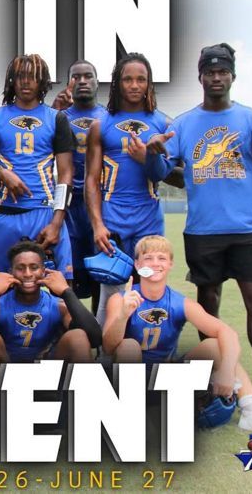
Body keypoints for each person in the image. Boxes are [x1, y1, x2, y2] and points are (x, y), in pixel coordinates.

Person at [144, 43, 252, 417]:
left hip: (247, 229)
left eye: (223, 71)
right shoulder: (182, 124)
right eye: (209, 72)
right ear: (200, 76)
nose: (216, 77)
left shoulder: (251, 120)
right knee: (208, 306)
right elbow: (160, 173)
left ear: (232, 75)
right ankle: (224, 378)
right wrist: (152, 153)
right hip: (203, 231)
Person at [102, 235, 252, 435]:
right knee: (128, 346)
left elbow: (227, 332)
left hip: (165, 378)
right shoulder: (121, 298)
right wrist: (123, 315)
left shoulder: (179, 302)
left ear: (170, 265)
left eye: (161, 258)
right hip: (125, 380)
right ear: (138, 264)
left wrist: (226, 371)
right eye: (148, 258)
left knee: (216, 345)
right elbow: (108, 346)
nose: (155, 263)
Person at [0, 54, 76, 280]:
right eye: (20, 77)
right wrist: (1, 173)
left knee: (59, 289)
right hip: (5, 215)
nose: (26, 82)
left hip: (45, 214)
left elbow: (66, 174)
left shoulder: (56, 118)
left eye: (32, 77)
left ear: (43, 81)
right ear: (11, 80)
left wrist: (57, 223)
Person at [84, 54, 170, 324]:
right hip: (113, 219)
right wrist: (97, 224)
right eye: (128, 79)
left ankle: (146, 350)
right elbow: (91, 180)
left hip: (148, 217)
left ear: (149, 84)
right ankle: (104, 355)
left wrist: (149, 158)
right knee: (111, 290)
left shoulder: (164, 124)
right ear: (117, 84)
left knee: (150, 286)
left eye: (141, 79)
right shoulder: (100, 125)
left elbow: (169, 174)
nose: (134, 85)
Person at [0, 240, 101, 363]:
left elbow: (95, 339)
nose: (28, 274)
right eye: (20, 268)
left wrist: (66, 292)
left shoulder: (59, 306)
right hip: (8, 373)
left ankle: (76, 392)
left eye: (34, 268)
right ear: (11, 273)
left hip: (49, 373)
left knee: (78, 337)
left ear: (43, 271)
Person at [50, 60, 108, 305]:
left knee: (102, 272)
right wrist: (53, 108)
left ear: (97, 82)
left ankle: (98, 332)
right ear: (68, 84)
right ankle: (69, 332)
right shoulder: (58, 117)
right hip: (68, 203)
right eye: (76, 77)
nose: (82, 81)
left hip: (101, 201)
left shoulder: (109, 116)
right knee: (66, 271)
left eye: (88, 76)